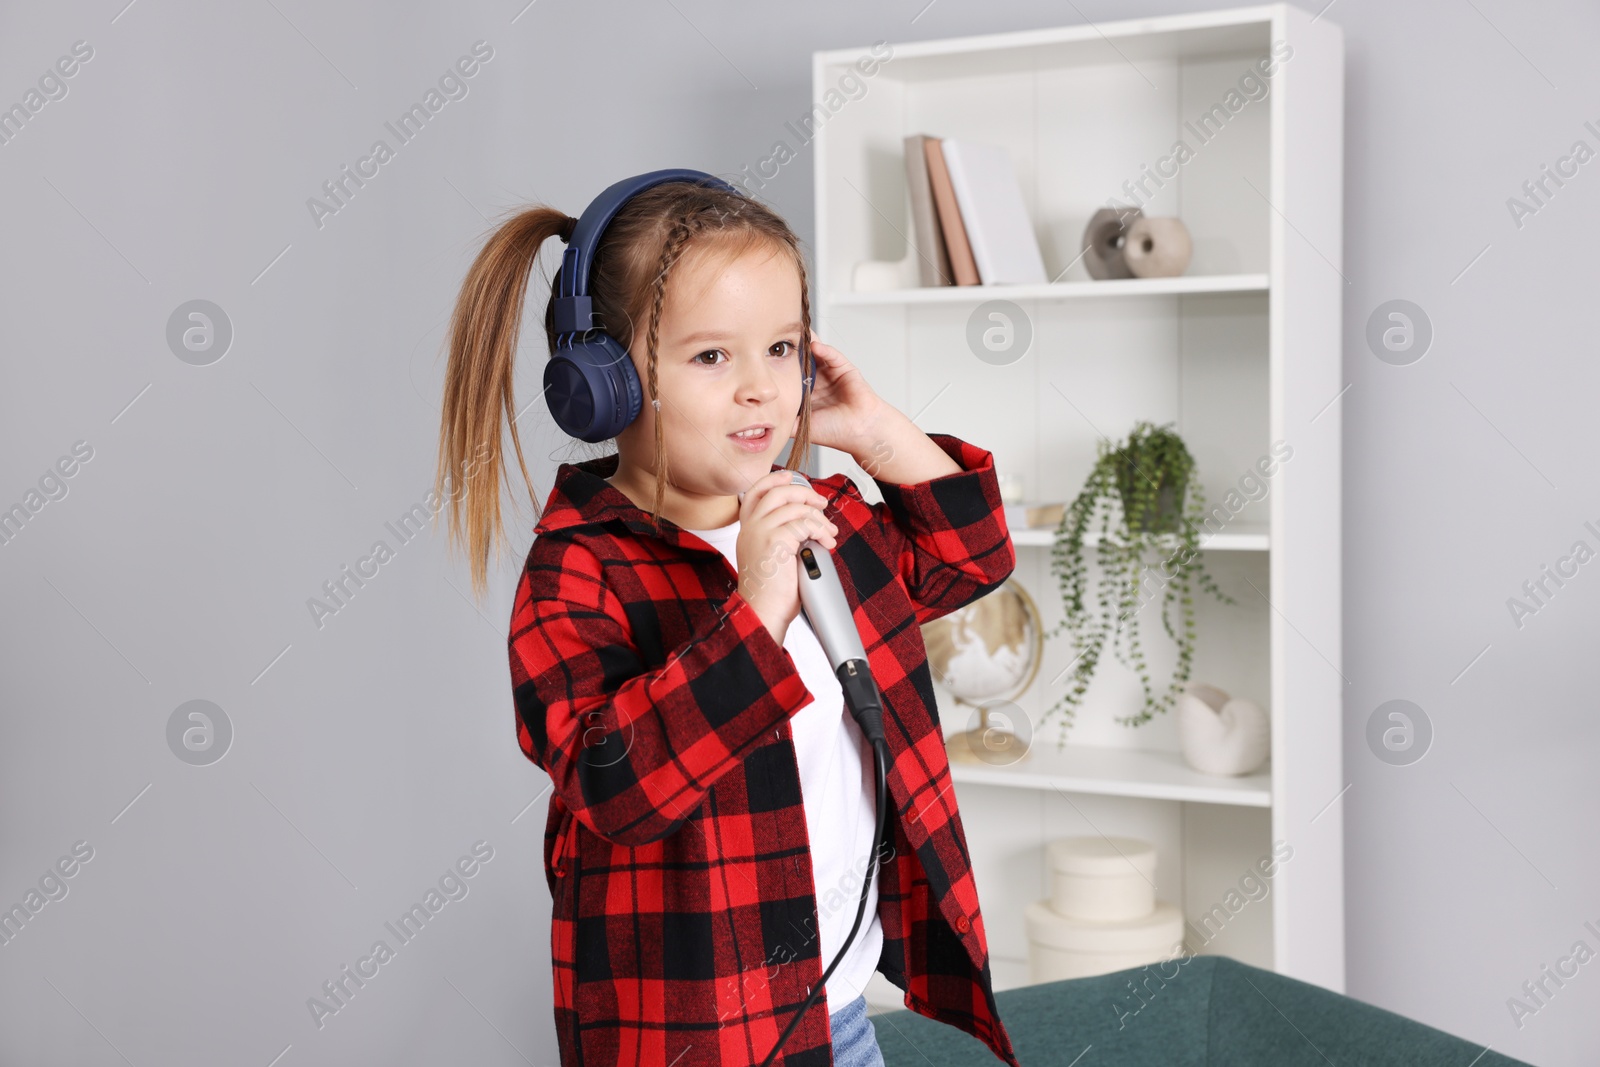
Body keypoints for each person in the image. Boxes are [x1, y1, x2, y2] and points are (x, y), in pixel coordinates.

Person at [433, 172, 1021, 1067]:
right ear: (604, 383)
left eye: (782, 348)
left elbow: (967, 558)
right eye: (712, 357)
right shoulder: (580, 569)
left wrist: (875, 434)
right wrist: (753, 611)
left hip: (840, 1020)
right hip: (692, 1043)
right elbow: (617, 788)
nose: (760, 388)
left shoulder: (815, 510)